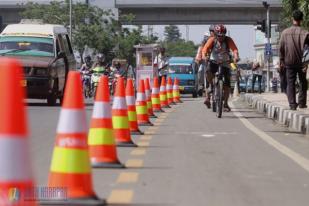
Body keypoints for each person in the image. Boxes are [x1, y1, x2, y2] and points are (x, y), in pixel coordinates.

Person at [202, 24, 239, 111]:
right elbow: (205, 49)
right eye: (218, 36)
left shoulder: (228, 40)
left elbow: (234, 49)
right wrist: (204, 56)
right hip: (214, 61)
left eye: (222, 36)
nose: (220, 38)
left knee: (227, 84)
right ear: (215, 34)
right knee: (208, 72)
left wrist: (236, 56)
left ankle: (225, 103)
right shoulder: (212, 40)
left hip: (225, 62)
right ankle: (211, 86)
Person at [279, 9, 309, 110]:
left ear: (293, 19)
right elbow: (307, 50)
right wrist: (306, 64)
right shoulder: (305, 33)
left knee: (290, 82)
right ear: (301, 20)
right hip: (301, 62)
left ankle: (292, 104)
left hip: (289, 62)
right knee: (303, 82)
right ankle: (302, 103)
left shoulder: (284, 33)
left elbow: (281, 48)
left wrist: (281, 61)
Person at [195, 25, 216, 90]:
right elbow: (199, 55)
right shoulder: (202, 46)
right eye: (206, 38)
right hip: (206, 62)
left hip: (216, 60)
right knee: (201, 70)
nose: (207, 39)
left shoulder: (217, 42)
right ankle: (202, 84)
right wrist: (199, 58)